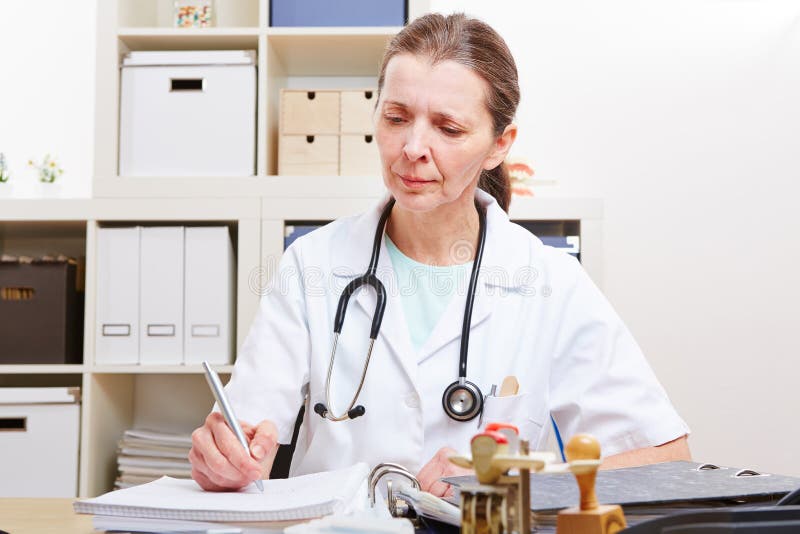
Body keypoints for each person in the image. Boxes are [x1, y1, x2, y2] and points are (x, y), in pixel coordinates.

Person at [189, 12, 690, 497]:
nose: (412, 147)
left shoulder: (550, 282)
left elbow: (667, 459)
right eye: (396, 118)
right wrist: (222, 459)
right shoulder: (312, 264)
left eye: (448, 129)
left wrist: (517, 478)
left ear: (499, 145)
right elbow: (244, 436)